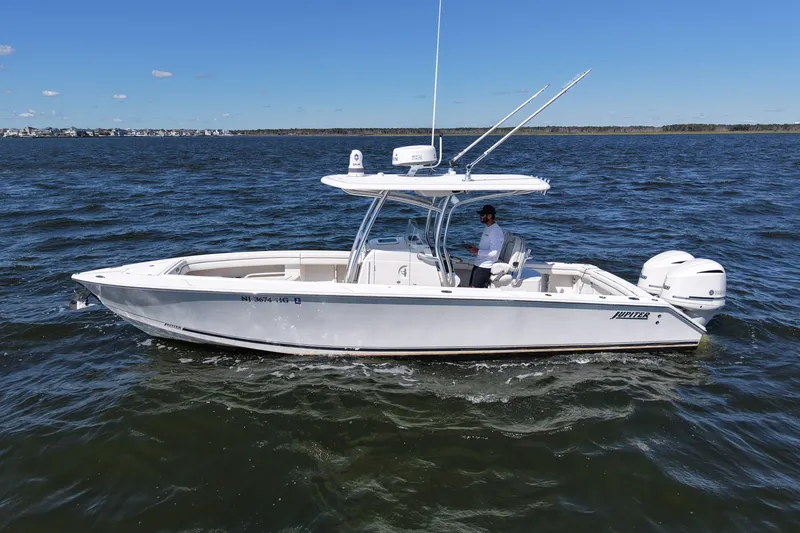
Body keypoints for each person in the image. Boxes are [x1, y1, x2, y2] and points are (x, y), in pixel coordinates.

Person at [465, 204, 503, 288]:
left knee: (475, 291)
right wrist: (475, 250)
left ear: (489, 216)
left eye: (482, 215)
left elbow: (494, 253)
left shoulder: (495, 231)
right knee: (471, 288)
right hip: (479, 264)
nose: (480, 217)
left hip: (485, 266)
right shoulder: (488, 227)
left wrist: (477, 251)